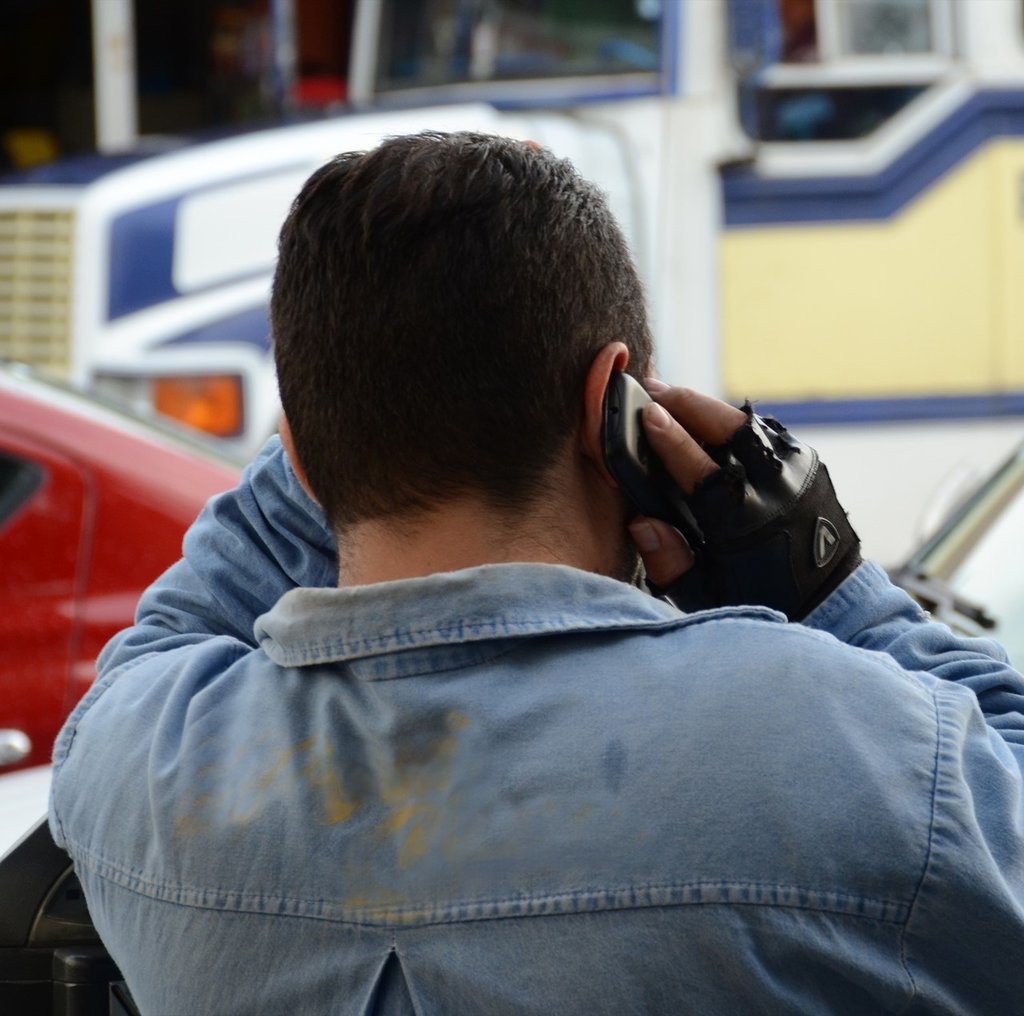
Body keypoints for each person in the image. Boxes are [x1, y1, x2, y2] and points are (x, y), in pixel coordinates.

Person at [50, 132, 1024, 1014]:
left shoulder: (136, 764)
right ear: (615, 410)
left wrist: (346, 404)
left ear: (301, 454)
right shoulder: (842, 742)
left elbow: (186, 612)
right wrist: (825, 583)